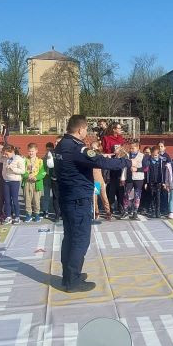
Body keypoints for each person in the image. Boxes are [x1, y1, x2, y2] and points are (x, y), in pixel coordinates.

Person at [54, 115, 130, 292]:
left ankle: (69, 276)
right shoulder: (77, 148)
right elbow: (100, 161)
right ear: (80, 129)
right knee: (80, 240)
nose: (86, 132)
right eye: (86, 129)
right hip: (78, 199)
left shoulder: (61, 145)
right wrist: (126, 161)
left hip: (67, 197)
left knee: (70, 238)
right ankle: (73, 282)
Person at [102, 122, 127, 215]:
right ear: (114, 129)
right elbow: (105, 151)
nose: (120, 130)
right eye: (119, 128)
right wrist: (113, 152)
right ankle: (110, 207)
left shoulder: (121, 138)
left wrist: (121, 152)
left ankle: (121, 206)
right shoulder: (106, 138)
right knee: (111, 187)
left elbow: (123, 151)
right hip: (111, 164)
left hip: (119, 164)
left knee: (120, 186)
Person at [1, 145, 26, 224]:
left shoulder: (19, 159)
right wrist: (4, 176)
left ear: (12, 152)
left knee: (15, 199)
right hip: (6, 181)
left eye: (6, 154)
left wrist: (13, 169)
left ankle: (17, 217)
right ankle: (8, 216)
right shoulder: (6, 159)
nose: (5, 155)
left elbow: (23, 171)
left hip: (14, 182)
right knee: (7, 200)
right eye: (4, 154)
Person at [22, 143, 46, 222]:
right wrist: (27, 175)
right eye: (29, 151)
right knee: (27, 199)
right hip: (27, 183)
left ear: (36, 151)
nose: (31, 153)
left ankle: (36, 214)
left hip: (36, 183)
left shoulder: (40, 161)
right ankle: (28, 215)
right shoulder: (25, 160)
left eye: (32, 151)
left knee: (36, 200)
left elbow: (43, 172)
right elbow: (22, 171)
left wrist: (37, 177)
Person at [145, 142, 169, 218]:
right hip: (151, 182)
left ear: (158, 154)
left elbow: (163, 172)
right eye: (152, 155)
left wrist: (163, 182)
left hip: (158, 182)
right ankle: (153, 210)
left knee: (158, 197)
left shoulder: (161, 162)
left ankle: (158, 211)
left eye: (155, 155)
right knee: (152, 196)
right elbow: (146, 172)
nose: (154, 156)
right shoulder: (149, 161)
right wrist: (146, 182)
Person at [124, 140, 146, 220]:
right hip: (129, 178)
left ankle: (135, 212)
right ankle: (126, 211)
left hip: (138, 178)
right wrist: (123, 178)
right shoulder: (127, 155)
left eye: (133, 148)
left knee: (137, 195)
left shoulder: (142, 156)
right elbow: (124, 168)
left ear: (137, 148)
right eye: (130, 148)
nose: (131, 150)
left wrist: (137, 169)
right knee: (126, 194)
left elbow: (146, 168)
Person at [43, 142, 57, 220]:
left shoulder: (56, 156)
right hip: (47, 177)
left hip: (54, 177)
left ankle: (57, 211)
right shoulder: (45, 157)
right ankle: (45, 210)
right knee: (46, 195)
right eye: (47, 149)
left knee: (56, 196)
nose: (49, 151)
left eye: (50, 149)